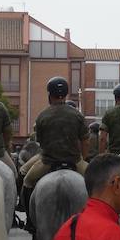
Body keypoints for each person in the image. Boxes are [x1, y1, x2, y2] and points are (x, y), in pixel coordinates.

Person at [19, 77, 90, 223]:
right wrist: (83, 157)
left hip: (48, 162)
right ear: (65, 94)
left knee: (27, 181)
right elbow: (84, 140)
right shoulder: (77, 115)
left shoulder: (42, 116)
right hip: (75, 161)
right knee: (96, 183)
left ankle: (30, 222)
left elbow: (40, 142)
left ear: (49, 94)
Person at [98, 83, 120, 156]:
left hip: (114, 154)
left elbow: (102, 139)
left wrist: (101, 156)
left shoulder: (109, 113)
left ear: (115, 97)